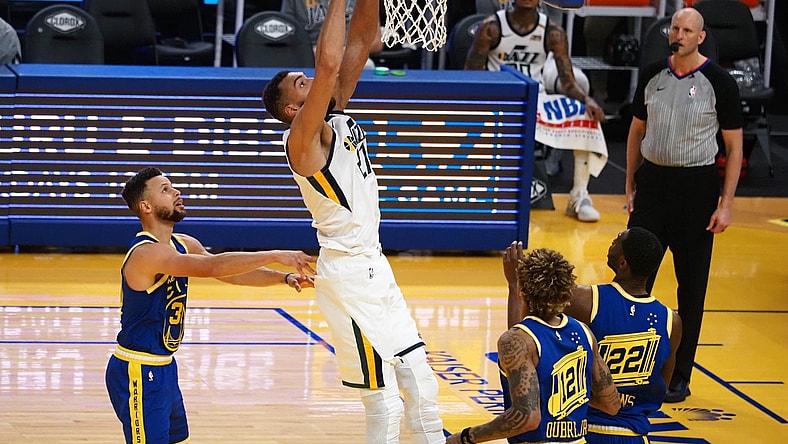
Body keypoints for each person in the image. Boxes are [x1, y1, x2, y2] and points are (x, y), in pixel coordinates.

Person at [261, 0, 444, 441]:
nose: (312, 80)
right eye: (300, 83)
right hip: (349, 274)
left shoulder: (334, 112)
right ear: (292, 109)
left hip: (367, 266)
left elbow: (360, 40)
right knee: (390, 395)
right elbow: (327, 64)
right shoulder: (302, 140)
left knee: (412, 385)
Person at [105, 167, 316, 444]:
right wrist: (275, 254)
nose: (176, 192)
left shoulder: (183, 243)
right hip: (139, 369)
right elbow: (212, 266)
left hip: (164, 366)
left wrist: (283, 278)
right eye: (165, 190)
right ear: (146, 206)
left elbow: (229, 273)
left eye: (172, 186)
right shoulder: (147, 253)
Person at [625, 7, 743, 403]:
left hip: (696, 190)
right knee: (634, 281)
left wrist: (726, 204)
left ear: (700, 37)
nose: (678, 35)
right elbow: (636, 131)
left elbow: (734, 147)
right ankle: (628, 370)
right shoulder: (652, 75)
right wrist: (629, 183)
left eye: (687, 30)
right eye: (674, 28)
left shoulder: (719, 82)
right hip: (652, 185)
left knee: (691, 289)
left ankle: (679, 375)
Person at [446, 247, 620, 444]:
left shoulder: (518, 341)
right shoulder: (584, 332)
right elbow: (611, 403)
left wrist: (467, 437)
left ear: (522, 291)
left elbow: (527, 417)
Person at [464, 0, 606, 222]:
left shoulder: (553, 31)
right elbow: (470, 75)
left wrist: (588, 100)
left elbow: (568, 81)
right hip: (499, 99)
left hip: (536, 98)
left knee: (585, 114)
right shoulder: (492, 27)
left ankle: (579, 195)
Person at [561, 228, 682, 442]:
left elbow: (527, 329)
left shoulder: (585, 300)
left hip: (582, 431)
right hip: (632, 434)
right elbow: (662, 385)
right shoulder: (671, 321)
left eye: (618, 240)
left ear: (623, 263)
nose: (613, 239)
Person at [280, 0, 383, 65]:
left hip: (349, 55)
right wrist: (308, 52)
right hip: (309, 56)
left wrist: (343, 52)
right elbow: (284, 37)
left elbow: (376, 43)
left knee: (368, 65)